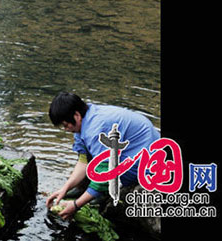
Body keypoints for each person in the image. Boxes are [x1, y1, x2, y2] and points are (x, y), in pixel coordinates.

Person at [45, 92, 161, 239]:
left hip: (149, 161)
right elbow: (83, 162)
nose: (66, 129)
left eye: (65, 124)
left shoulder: (96, 129)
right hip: (134, 150)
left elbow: (106, 175)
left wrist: (76, 206)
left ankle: (95, 196)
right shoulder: (85, 121)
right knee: (93, 161)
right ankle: (87, 192)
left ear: (76, 115)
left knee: (101, 175)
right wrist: (65, 188)